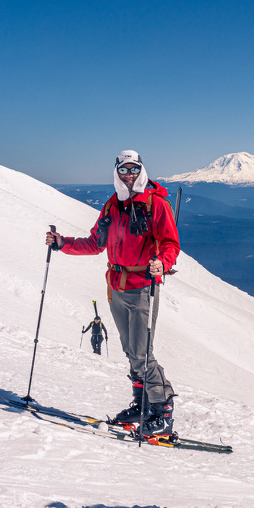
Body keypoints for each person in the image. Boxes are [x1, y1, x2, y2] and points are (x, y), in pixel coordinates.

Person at [46, 150, 180, 436]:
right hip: (117, 286)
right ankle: (142, 404)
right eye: (124, 170)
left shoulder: (156, 204)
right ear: (116, 172)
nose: (129, 175)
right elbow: (96, 243)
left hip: (144, 285)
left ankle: (162, 410)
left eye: (134, 169)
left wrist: (163, 263)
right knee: (131, 351)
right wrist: (62, 243)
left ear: (141, 170)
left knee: (142, 353)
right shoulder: (113, 205)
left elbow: (170, 243)